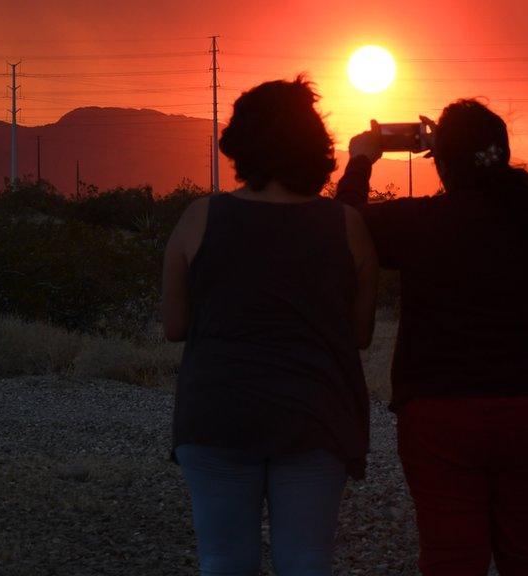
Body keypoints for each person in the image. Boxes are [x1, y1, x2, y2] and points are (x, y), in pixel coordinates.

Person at [336, 99, 528, 576]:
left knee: (451, 561)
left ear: (440, 161)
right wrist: (459, 152)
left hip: (440, 415)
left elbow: (342, 225)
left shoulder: (421, 223)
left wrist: (362, 158)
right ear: (501, 153)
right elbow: (515, 184)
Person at [161, 76, 378, 576]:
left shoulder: (198, 218)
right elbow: (360, 335)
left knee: (223, 561)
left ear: (240, 143)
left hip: (216, 414)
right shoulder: (347, 225)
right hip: (315, 416)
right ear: (315, 146)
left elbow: (175, 326)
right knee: (307, 561)